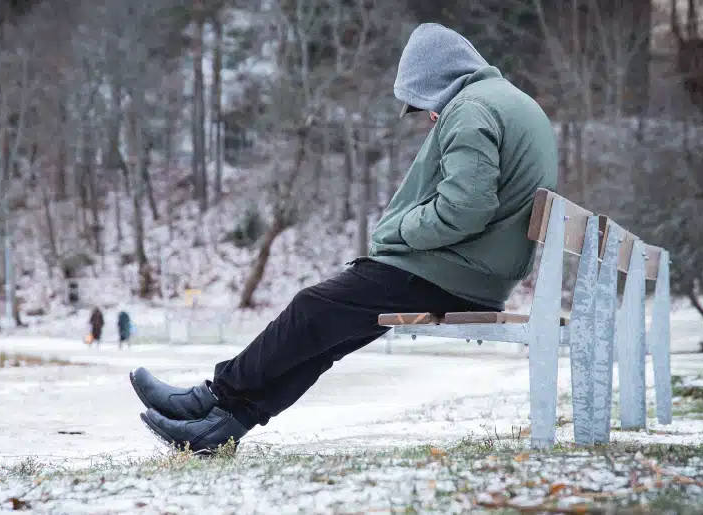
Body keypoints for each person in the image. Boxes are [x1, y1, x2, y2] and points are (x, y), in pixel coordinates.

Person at [130, 23, 559, 453]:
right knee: (324, 333)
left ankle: (212, 399)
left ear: (437, 80)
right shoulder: (514, 103)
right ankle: (222, 425)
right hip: (473, 274)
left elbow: (465, 209)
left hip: (451, 276)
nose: (429, 116)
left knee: (311, 309)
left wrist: (404, 228)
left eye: (425, 104)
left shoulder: (471, 108)